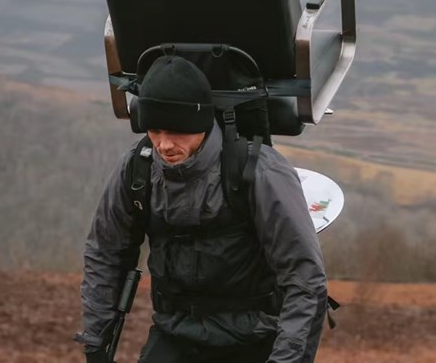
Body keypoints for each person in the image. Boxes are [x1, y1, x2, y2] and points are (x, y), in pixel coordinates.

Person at [78, 55, 328, 363]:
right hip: (174, 332)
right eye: (155, 130)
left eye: (176, 131)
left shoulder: (259, 172)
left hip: (255, 337)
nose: (164, 145)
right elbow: (105, 255)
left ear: (201, 123)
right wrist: (96, 345)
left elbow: (305, 279)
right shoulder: (137, 170)